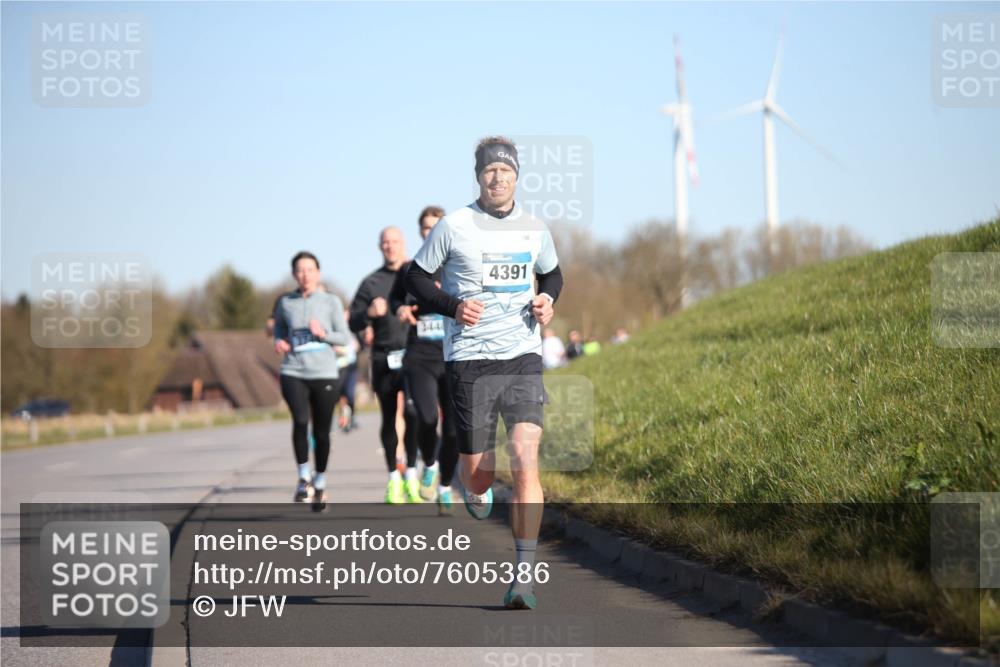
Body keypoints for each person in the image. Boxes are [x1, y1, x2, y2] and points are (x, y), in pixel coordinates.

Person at [405, 136, 564, 609]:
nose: (498, 178)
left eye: (506, 171)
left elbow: (553, 273)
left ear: (517, 176)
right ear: (478, 177)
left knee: (524, 454)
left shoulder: (535, 228)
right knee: (478, 478)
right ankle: (469, 482)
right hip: (469, 361)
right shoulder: (454, 227)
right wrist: (453, 306)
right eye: (489, 171)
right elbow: (415, 279)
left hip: (522, 356)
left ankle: (524, 575)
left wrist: (547, 299)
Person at [389, 205, 460, 514]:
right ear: (420, 232)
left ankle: (444, 486)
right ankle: (428, 462)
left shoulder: (459, 264)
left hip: (455, 355)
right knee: (428, 418)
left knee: (456, 429)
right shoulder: (411, 269)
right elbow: (395, 300)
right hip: (420, 356)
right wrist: (401, 310)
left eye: (435, 227)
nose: (430, 233)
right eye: (425, 228)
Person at [272, 251, 350, 512]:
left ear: (318, 273)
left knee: (321, 430)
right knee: (301, 420)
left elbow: (344, 338)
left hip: (324, 372)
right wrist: (279, 341)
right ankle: (303, 477)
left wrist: (323, 333)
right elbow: (279, 329)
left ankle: (320, 480)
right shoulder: (285, 302)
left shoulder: (330, 302)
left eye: (310, 270)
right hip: (293, 370)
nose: (305, 275)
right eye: (300, 270)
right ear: (294, 274)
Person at [349, 227, 420, 504]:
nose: (390, 247)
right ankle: (393, 478)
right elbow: (353, 320)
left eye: (395, 242)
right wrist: (367, 313)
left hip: (415, 352)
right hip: (383, 355)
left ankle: (411, 475)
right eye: (385, 243)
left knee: (414, 415)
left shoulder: (417, 275)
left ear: (404, 244)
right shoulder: (371, 283)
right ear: (380, 247)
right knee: (389, 416)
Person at [335, 309, 360, 432]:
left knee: (350, 394)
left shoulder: (352, 329)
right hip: (339, 366)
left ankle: (351, 416)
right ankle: (344, 418)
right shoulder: (334, 328)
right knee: (341, 394)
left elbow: (357, 344)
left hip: (352, 366)